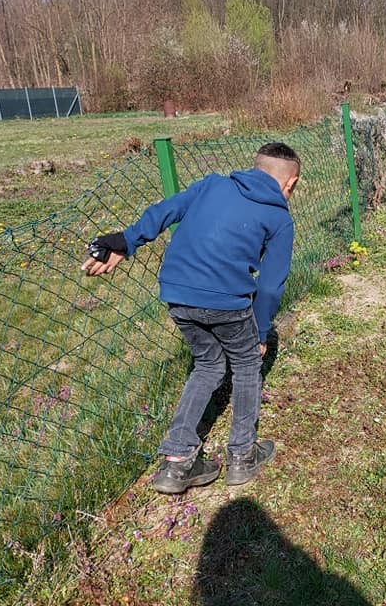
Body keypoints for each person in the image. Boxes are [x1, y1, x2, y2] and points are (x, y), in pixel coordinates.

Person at [81, 142, 300, 494]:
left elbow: (166, 210)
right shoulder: (279, 217)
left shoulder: (212, 184)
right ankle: (243, 454)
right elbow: (272, 287)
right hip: (227, 300)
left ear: (255, 168)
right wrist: (260, 332)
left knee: (209, 364)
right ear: (290, 185)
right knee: (245, 364)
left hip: (177, 291)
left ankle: (177, 462)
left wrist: (126, 241)